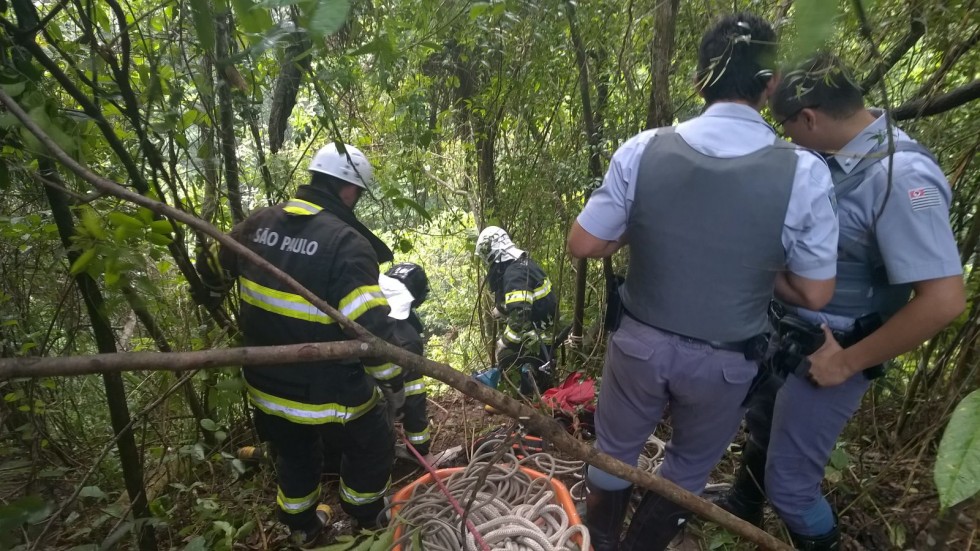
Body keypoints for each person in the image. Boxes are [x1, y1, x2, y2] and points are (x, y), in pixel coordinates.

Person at [566, 12, 841, 551]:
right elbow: (815, 293)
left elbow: (584, 243)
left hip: (641, 343)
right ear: (771, 84)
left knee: (614, 451)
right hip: (727, 360)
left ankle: (597, 543)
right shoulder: (804, 173)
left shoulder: (644, 150)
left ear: (697, 81)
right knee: (689, 465)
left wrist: (646, 230)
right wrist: (754, 266)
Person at [713, 52, 965, 550]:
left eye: (787, 125)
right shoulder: (834, 153)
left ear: (809, 117)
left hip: (835, 350)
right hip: (788, 333)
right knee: (762, 425)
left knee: (791, 487)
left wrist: (847, 363)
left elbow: (943, 300)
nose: (786, 137)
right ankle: (743, 507)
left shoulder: (901, 178)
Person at [197, 142, 403, 546]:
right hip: (325, 393)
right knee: (374, 438)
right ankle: (364, 517)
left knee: (294, 451)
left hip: (266, 388)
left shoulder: (257, 223)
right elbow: (372, 334)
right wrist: (394, 382)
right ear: (349, 191)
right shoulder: (347, 245)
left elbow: (209, 278)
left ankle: (302, 526)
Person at [475, 225, 560, 397]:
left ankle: (522, 397)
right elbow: (526, 300)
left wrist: (504, 343)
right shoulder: (525, 265)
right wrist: (501, 308)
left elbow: (520, 318)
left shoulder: (514, 274)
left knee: (506, 356)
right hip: (546, 339)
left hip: (537, 344)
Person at [379, 262, 439, 463]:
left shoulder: (362, 311)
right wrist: (420, 447)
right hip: (367, 421)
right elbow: (412, 395)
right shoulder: (407, 339)